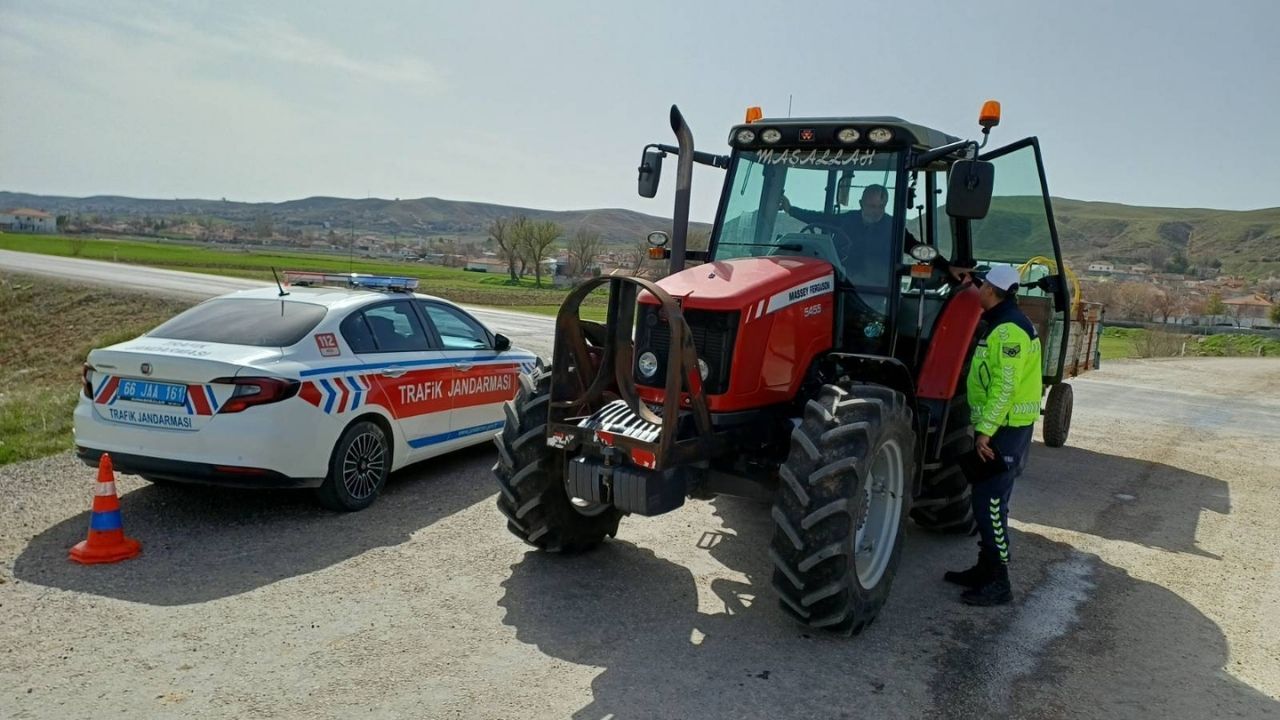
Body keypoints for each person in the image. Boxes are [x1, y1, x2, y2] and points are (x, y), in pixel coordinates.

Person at [944, 264, 1043, 606]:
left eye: (983, 284)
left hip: (1006, 428)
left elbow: (1005, 386)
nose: (980, 289)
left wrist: (985, 430)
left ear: (991, 290)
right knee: (984, 499)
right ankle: (984, 569)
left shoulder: (1009, 331)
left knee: (991, 502)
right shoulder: (1004, 322)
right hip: (1002, 425)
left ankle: (999, 581)